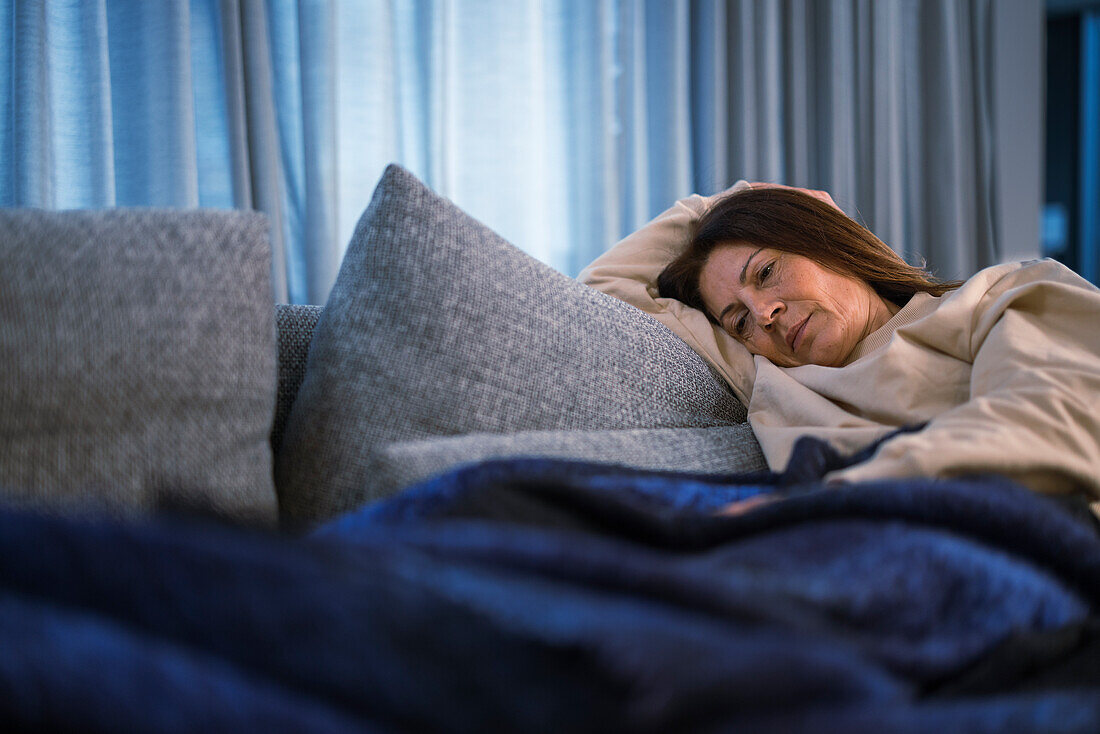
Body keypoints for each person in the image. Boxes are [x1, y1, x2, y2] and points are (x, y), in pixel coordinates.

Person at [579, 183, 1100, 517]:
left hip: (1022, 534)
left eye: (766, 271)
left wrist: (834, 502)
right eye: (739, 320)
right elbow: (601, 292)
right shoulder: (769, 376)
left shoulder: (1001, 296)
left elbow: (1047, 422)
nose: (763, 315)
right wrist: (716, 207)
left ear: (825, 239)